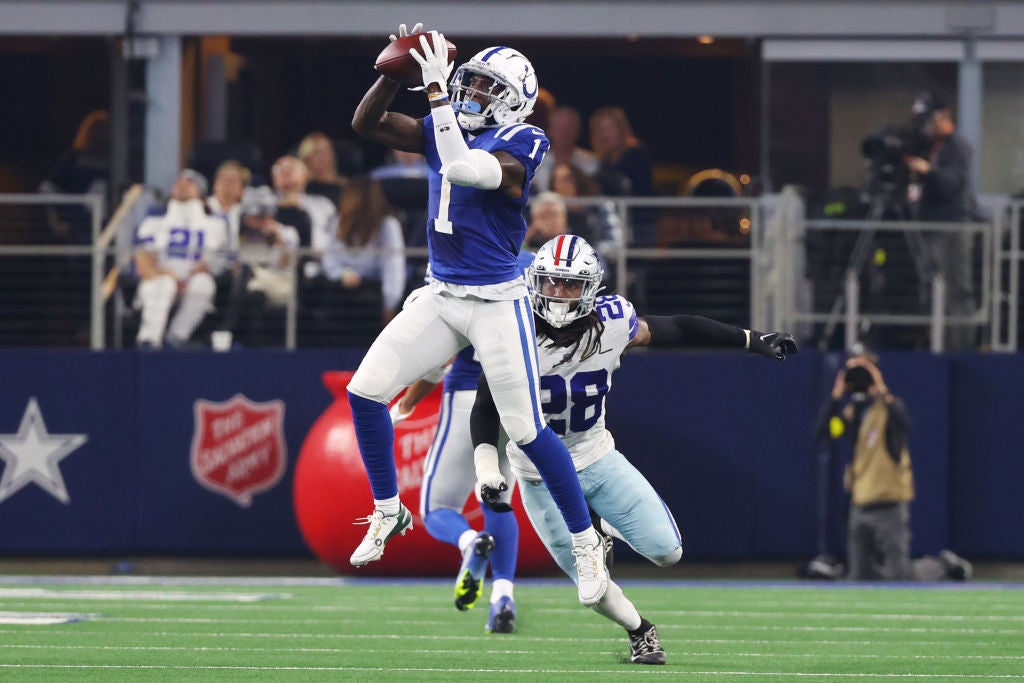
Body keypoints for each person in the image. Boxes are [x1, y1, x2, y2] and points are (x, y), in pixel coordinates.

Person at [347, 22, 610, 607]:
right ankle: (389, 511)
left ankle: (587, 544)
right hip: (441, 294)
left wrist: (438, 96)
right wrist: (391, 77)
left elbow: (469, 169)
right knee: (365, 392)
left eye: (489, 88)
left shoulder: (524, 138)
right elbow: (366, 124)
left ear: (515, 96)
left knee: (525, 432)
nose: (473, 95)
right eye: (471, 84)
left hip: (496, 300)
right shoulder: (447, 127)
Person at [469, 234, 799, 664]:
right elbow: (484, 406)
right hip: (539, 475)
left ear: (590, 288)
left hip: (594, 456)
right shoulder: (510, 333)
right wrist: (485, 467)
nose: (559, 293)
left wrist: (751, 339)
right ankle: (640, 631)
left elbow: (676, 328)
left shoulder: (611, 323)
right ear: (535, 281)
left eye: (571, 284)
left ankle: (602, 530)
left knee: (668, 552)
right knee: (592, 589)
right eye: (551, 282)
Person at [388, 249, 539, 634]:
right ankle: (502, 596)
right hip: (519, 398)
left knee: (435, 507)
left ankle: (469, 541)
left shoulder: (458, 264)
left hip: (470, 396)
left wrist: (406, 402)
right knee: (499, 500)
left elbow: (437, 361)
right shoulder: (532, 265)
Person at [815, 347, 972, 581]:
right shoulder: (852, 415)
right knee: (859, 577)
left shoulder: (889, 410)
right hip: (860, 505)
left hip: (889, 506)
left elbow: (905, 422)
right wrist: (836, 395)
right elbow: (823, 431)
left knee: (899, 577)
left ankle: (942, 565)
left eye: (863, 371)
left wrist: (880, 387)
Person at [902, 91, 979, 350]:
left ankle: (960, 348)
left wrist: (928, 170)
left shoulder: (957, 146)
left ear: (942, 117)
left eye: (927, 120)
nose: (923, 126)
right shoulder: (931, 146)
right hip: (930, 225)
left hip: (951, 227)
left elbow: (953, 185)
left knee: (957, 291)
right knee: (931, 289)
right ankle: (934, 343)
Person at [132, 169, 229, 349]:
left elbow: (228, 261)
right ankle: (149, 341)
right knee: (164, 284)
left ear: (201, 191)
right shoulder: (153, 222)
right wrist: (164, 274)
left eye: (190, 182)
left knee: (203, 284)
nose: (182, 185)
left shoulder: (217, 225)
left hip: (194, 281)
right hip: (159, 278)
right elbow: (142, 261)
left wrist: (209, 267)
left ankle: (176, 338)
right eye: (179, 182)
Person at [307, 176, 406, 346]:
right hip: (342, 290)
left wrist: (389, 304)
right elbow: (330, 258)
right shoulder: (339, 221)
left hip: (372, 293)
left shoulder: (387, 225)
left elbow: (394, 267)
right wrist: (342, 274)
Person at [531, 105, 599, 193]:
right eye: (559, 127)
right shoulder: (534, 163)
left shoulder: (590, 162)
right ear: (550, 130)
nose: (563, 132)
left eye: (569, 127)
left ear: (577, 130)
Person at [298, 131, 346, 205]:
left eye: (328, 151)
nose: (324, 157)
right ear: (307, 158)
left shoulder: (345, 185)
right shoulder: (302, 188)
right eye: (318, 152)